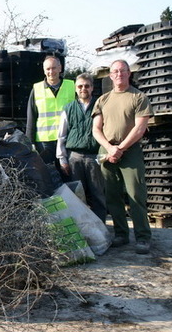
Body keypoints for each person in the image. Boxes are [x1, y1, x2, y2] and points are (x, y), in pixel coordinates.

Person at [92, 60, 154, 254]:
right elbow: (96, 129)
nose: (119, 74)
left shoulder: (139, 97)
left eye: (122, 71)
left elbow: (140, 128)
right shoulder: (103, 100)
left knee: (136, 194)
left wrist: (120, 148)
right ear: (110, 76)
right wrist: (110, 148)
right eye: (115, 71)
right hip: (107, 151)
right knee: (112, 195)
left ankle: (143, 237)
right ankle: (121, 234)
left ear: (129, 73)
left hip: (130, 151)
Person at [56, 73, 106, 222]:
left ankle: (101, 230)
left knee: (98, 195)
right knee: (77, 196)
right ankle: (83, 229)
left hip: (94, 158)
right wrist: (62, 159)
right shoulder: (69, 108)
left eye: (87, 86)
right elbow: (62, 135)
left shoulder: (100, 106)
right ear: (76, 89)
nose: (83, 89)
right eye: (80, 86)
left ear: (92, 88)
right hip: (74, 158)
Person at [26, 55, 75, 164]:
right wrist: (30, 141)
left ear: (60, 68)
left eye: (54, 68)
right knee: (48, 174)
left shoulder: (72, 86)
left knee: (67, 173)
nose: (51, 71)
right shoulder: (36, 89)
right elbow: (31, 116)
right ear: (44, 71)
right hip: (44, 141)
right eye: (48, 69)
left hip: (66, 139)